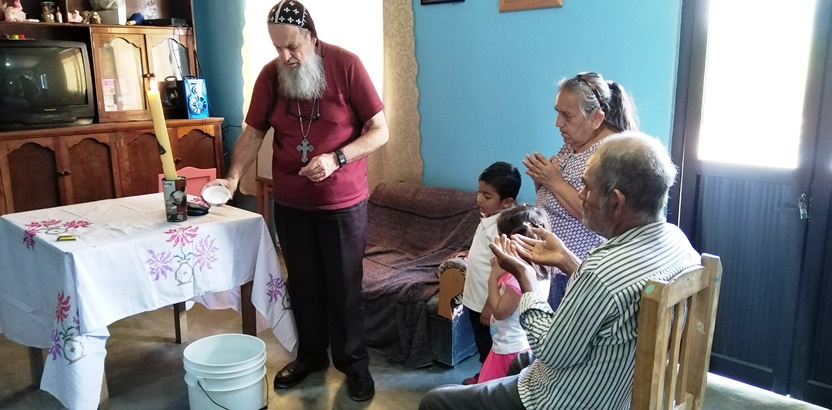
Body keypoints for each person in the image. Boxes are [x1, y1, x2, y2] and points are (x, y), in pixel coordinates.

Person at [419, 132, 700, 410]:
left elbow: (551, 352)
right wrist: (566, 260)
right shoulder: (678, 242)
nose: (581, 196)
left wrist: (526, 278)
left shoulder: (602, 272)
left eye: (586, 187)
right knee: (519, 362)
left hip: (569, 398)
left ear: (616, 201)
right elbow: (613, 300)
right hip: (616, 384)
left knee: (436, 401)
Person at [204, 0, 389, 402]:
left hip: (341, 204)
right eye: (277, 47)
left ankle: (354, 365)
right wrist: (232, 178)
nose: (285, 57)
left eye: (292, 47)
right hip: (291, 204)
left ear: (312, 38)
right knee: (302, 285)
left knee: (344, 289)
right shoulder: (270, 76)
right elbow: (253, 133)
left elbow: (380, 130)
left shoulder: (347, 65)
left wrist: (337, 158)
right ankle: (310, 357)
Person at [524, 72, 639, 311]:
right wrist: (542, 182)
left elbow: (598, 215)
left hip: (574, 269)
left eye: (567, 115)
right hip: (552, 265)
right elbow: (560, 196)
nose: (558, 123)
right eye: (557, 112)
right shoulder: (574, 143)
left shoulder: (610, 153)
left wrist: (554, 181)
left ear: (597, 118)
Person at [455, 161, 521, 385]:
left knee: (488, 344)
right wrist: (471, 254)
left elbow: (503, 270)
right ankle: (485, 373)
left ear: (507, 202)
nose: (479, 199)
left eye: (487, 195)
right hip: (475, 296)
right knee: (481, 340)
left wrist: (488, 306)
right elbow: (487, 253)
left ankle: (489, 381)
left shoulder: (501, 227)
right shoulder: (490, 217)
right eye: (479, 192)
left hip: (486, 301)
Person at [476, 205, 550, 384]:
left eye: (499, 236)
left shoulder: (517, 279)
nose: (495, 241)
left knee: (491, 393)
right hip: (511, 345)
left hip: (510, 350)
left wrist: (492, 277)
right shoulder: (539, 268)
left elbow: (500, 313)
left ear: (511, 242)